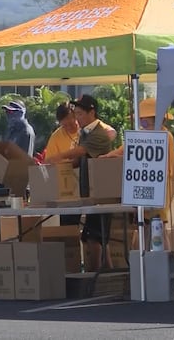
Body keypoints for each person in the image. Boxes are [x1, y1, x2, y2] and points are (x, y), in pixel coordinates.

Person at [45, 94, 115, 271]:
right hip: (88, 192)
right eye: (75, 114)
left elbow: (81, 151)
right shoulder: (86, 132)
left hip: (102, 191)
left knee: (94, 238)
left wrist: (59, 157)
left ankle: (97, 276)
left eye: (80, 114)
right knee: (93, 237)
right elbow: (78, 160)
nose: (77, 119)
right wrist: (57, 166)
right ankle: (104, 274)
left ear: (92, 112)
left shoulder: (99, 133)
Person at [100, 98, 174, 223]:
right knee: (144, 227)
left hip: (159, 190)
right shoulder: (141, 135)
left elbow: (147, 160)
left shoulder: (165, 137)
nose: (142, 122)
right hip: (142, 190)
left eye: (145, 120)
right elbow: (122, 151)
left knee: (157, 228)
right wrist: (107, 158)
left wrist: (121, 158)